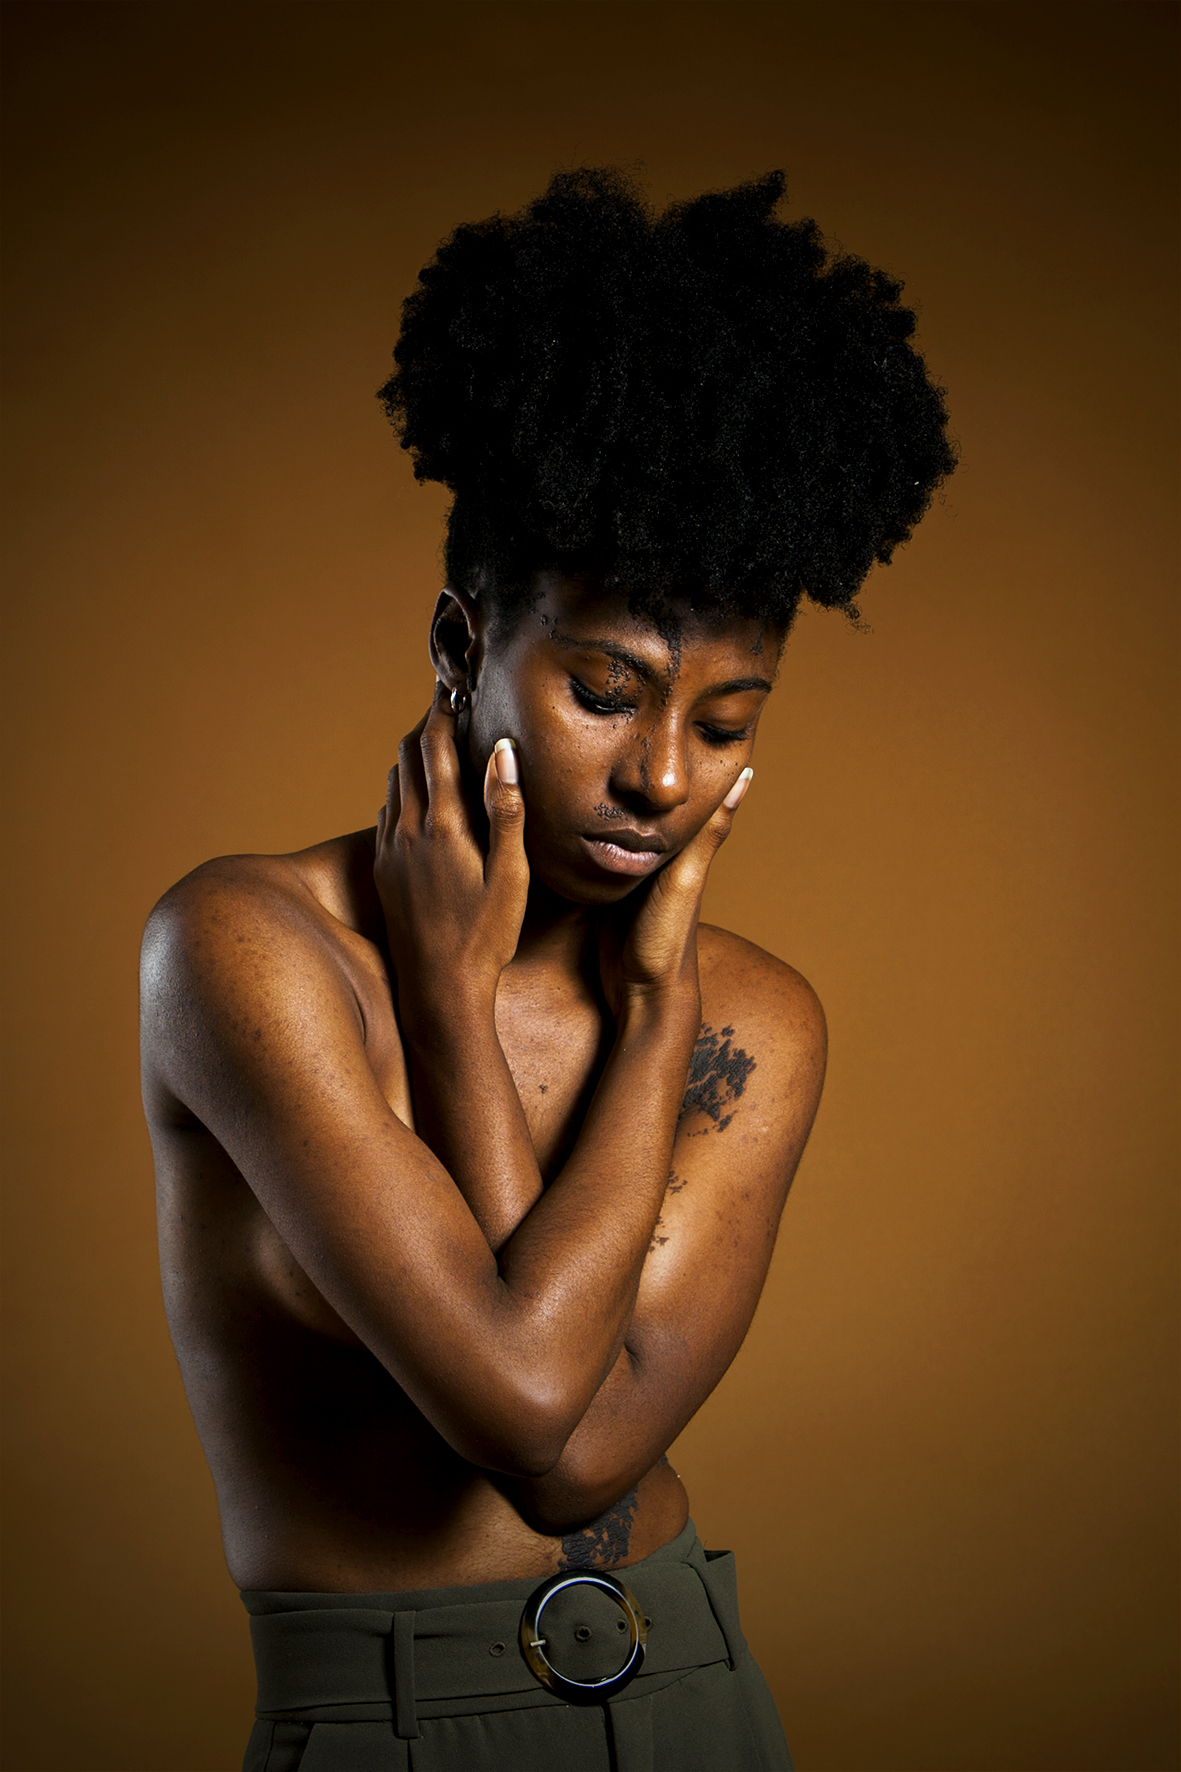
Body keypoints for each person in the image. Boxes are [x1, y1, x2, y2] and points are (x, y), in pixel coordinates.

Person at [140, 167, 955, 1771]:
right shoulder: (251, 953)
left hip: (691, 1688)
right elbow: (521, 1413)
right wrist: (448, 1003)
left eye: (726, 722)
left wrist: (651, 1010)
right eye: (606, 692)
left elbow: (589, 1454)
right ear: (464, 642)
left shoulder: (746, 1019)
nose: (661, 776)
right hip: (390, 1724)